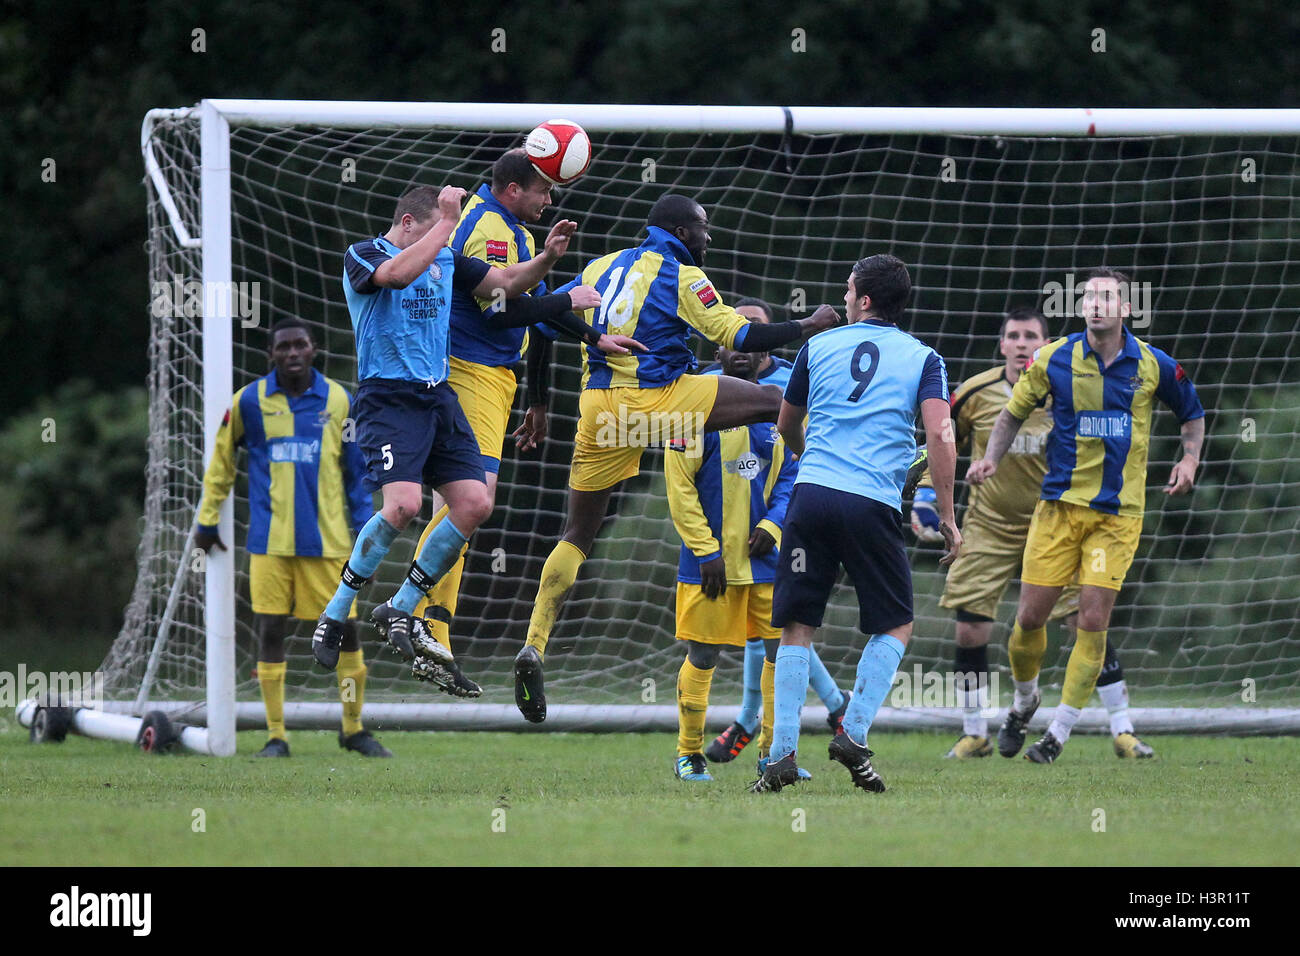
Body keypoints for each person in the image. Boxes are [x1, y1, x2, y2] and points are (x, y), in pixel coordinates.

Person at [511, 193, 840, 723]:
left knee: (577, 534)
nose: (708, 239)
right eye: (704, 230)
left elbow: (546, 322)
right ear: (683, 233)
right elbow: (742, 334)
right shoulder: (684, 277)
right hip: (660, 404)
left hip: (599, 412)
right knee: (776, 404)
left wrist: (540, 403)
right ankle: (824, 478)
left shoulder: (600, 266)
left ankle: (535, 643)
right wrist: (811, 323)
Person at [312, 184, 608, 674]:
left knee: (475, 503)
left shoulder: (445, 256)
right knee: (403, 505)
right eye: (433, 230)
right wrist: (448, 224)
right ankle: (336, 612)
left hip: (437, 396)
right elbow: (396, 276)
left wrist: (549, 262)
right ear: (407, 223)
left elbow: (506, 284)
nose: (440, 243)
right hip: (388, 399)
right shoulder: (364, 255)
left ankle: (402, 605)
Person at [406, 149, 642, 694]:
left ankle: (430, 630)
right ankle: (413, 614)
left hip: (485, 376)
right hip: (473, 373)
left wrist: (590, 336)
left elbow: (534, 308)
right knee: (468, 504)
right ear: (515, 188)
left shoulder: (509, 227)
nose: (550, 199)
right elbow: (503, 310)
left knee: (459, 509)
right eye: (544, 190)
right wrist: (565, 295)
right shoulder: (489, 226)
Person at [967, 268, 1205, 763]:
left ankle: (1057, 733)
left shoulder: (1153, 365)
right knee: (1029, 621)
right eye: (1088, 297)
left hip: (1117, 517)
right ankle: (1024, 702)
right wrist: (991, 456)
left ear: (1126, 309)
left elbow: (1192, 412)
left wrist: (1189, 458)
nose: (1096, 304)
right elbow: (1012, 413)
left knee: (1092, 621)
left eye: (1107, 297)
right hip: (1057, 509)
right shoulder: (1054, 359)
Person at [752, 254, 960, 794]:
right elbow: (939, 437)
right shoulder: (925, 358)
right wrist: (947, 515)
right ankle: (854, 730)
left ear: (864, 300)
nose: (843, 296)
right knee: (895, 623)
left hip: (812, 497)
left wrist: (811, 462)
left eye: (848, 289)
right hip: (871, 503)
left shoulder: (816, 347)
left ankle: (780, 756)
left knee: (797, 625)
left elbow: (786, 424)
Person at [911, 306, 1154, 759]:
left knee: (1086, 618)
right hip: (989, 524)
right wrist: (926, 496)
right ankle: (974, 730)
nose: (1022, 344)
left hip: (1059, 521)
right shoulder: (975, 392)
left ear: (1046, 346)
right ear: (1002, 344)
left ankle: (1123, 728)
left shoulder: (1073, 387)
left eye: (1031, 336)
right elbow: (943, 442)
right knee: (970, 627)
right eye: (1013, 336)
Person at [195, 318, 388, 757]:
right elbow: (222, 461)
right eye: (284, 347)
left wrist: (365, 536)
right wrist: (207, 522)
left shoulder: (340, 400)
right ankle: (276, 736)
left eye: (300, 344)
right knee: (269, 632)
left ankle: (353, 728)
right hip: (269, 544)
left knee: (347, 633)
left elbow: (357, 474)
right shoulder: (248, 403)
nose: (292, 353)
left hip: (330, 543)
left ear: (314, 349)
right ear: (271, 354)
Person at [695, 298, 850, 774]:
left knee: (783, 625)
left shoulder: (786, 384)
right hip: (735, 525)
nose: (746, 337)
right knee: (766, 626)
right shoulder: (708, 385)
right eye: (737, 329)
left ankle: (756, 721)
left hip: (796, 511)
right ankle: (785, 714)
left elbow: (797, 449)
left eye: (756, 328)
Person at [665, 329, 798, 781]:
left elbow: (791, 476)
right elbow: (679, 488)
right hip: (710, 565)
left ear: (765, 353)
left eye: (750, 345)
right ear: (718, 351)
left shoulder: (780, 410)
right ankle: (689, 754)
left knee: (783, 655)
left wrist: (773, 524)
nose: (740, 352)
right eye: (731, 344)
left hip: (768, 562)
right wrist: (706, 550)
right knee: (703, 656)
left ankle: (773, 755)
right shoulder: (691, 409)